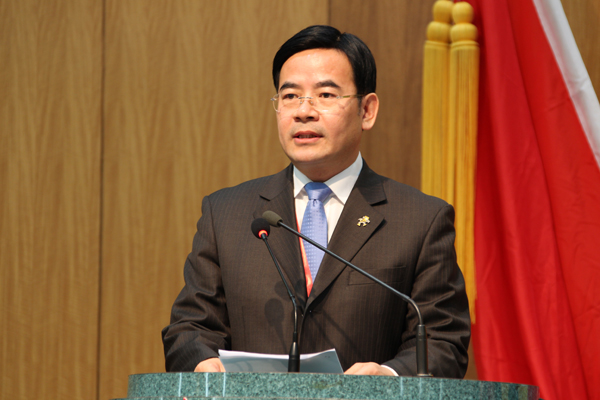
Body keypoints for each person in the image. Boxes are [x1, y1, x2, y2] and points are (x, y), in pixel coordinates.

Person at [162, 25, 470, 377]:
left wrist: (388, 377)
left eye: (325, 95)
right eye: (290, 96)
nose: (303, 111)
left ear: (367, 110)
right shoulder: (227, 214)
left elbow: (443, 342)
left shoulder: (420, 220)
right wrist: (203, 364)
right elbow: (189, 329)